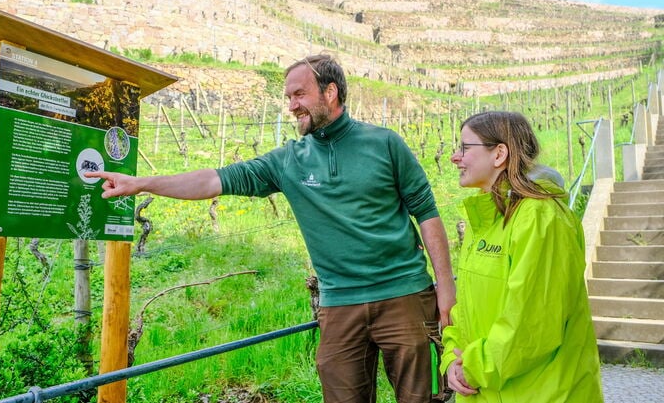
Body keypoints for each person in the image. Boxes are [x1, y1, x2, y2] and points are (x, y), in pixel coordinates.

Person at [87, 54, 456, 402]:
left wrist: (446, 289)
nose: (292, 105)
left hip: (405, 295)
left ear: (331, 92)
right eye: (288, 97)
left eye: (299, 94)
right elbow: (212, 181)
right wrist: (142, 183)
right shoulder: (288, 162)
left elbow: (427, 213)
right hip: (340, 303)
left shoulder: (385, 143)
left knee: (421, 397)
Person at [443, 111, 603, 402]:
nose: (455, 157)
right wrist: (451, 363)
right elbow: (464, 310)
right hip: (485, 390)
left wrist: (474, 368)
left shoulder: (541, 219)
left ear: (499, 154)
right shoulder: (486, 220)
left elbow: (534, 323)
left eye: (466, 148)